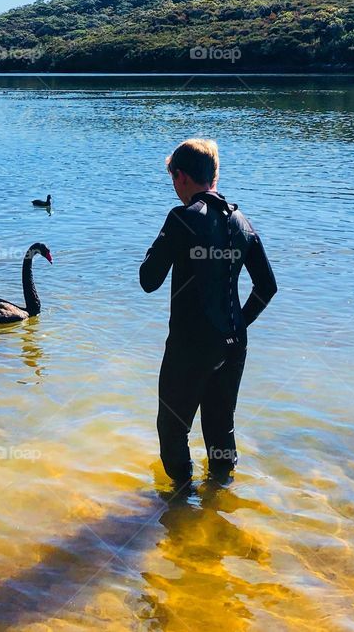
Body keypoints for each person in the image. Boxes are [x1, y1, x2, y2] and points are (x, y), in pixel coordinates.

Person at [139, 139, 277, 486]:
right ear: (214, 177)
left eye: (173, 178)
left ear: (181, 176)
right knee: (220, 426)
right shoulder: (242, 222)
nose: (174, 186)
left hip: (190, 345)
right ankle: (219, 500)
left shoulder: (181, 218)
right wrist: (239, 323)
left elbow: (148, 280)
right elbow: (267, 288)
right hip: (233, 343)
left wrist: (159, 244)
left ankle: (180, 503)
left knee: (172, 429)